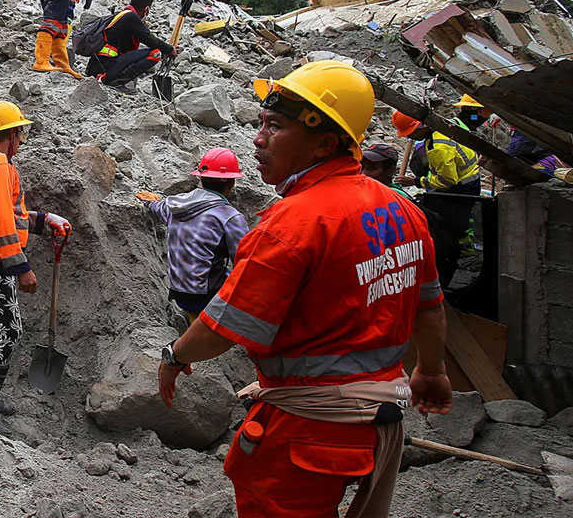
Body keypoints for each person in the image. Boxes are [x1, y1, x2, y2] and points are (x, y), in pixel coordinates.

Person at [159, 60, 452, 518]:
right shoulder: (403, 209)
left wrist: (175, 357)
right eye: (260, 123)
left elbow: (222, 329)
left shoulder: (291, 225)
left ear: (325, 143)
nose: (258, 139)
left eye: (275, 126)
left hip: (311, 430)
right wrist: (431, 371)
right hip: (381, 420)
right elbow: (430, 308)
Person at [0, 101, 71, 432]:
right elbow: (0, 220)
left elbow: (7, 213)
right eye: (19, 133)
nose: (21, 140)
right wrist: (20, 267)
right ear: (9, 134)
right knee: (9, 328)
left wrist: (43, 220)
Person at [138, 148, 249, 332]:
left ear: (201, 178)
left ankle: (188, 316)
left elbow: (159, 208)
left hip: (177, 291)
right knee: (246, 277)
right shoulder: (229, 217)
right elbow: (245, 261)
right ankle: (207, 323)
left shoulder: (176, 205)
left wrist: (151, 202)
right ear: (231, 183)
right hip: (206, 296)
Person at [393, 112, 481, 287]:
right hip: (471, 178)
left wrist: (416, 181)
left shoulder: (438, 147)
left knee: (450, 226)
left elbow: (448, 180)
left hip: (459, 189)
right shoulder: (446, 124)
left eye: (411, 133)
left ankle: (457, 257)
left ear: (421, 127)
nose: (410, 137)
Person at [84, 0, 179, 92]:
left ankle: (110, 78)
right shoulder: (131, 17)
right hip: (106, 66)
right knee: (155, 53)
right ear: (146, 9)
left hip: (97, 65)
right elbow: (148, 39)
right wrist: (169, 49)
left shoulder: (123, 15)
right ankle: (114, 81)